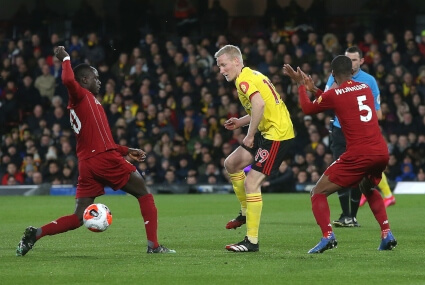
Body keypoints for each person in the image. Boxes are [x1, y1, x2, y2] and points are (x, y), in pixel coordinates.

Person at [16, 46, 175, 256]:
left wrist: (126, 150)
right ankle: (154, 246)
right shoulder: (80, 95)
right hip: (102, 159)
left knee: (78, 217)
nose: (99, 81)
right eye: (95, 77)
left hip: (88, 163)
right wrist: (66, 59)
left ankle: (36, 233)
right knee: (144, 193)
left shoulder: (90, 103)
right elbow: (67, 81)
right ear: (84, 80)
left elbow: (101, 139)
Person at [283, 55, 397, 253]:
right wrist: (315, 90)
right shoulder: (364, 88)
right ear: (352, 72)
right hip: (380, 151)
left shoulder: (335, 94)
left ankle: (328, 236)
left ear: (333, 74)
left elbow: (308, 108)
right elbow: (345, 104)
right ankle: (386, 233)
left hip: (359, 154)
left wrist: (301, 85)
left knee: (317, 192)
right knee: (367, 187)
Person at [214, 45, 295, 252]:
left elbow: (259, 105)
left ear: (236, 61)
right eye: (219, 66)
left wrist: (249, 135)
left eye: (223, 65)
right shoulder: (251, 74)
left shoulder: (243, 80)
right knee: (232, 163)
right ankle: (244, 211)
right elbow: (262, 105)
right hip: (267, 130)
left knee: (252, 183)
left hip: (276, 134)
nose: (221, 70)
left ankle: (251, 241)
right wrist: (241, 123)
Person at [325, 46, 395, 228]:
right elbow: (325, 100)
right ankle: (345, 215)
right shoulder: (334, 78)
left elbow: (378, 114)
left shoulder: (369, 81)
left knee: (358, 175)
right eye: (347, 60)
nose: (350, 63)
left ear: (362, 61)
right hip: (339, 131)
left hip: (359, 135)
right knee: (338, 172)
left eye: (354, 60)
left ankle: (352, 216)